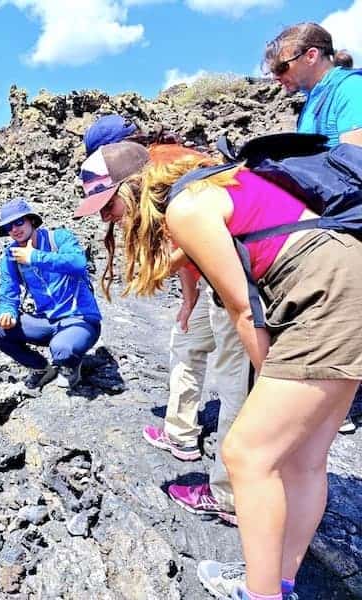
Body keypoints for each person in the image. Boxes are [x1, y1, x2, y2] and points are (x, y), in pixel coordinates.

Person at [83, 140, 361, 600]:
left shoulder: (186, 208)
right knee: (305, 459)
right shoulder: (214, 184)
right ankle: (278, 583)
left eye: (108, 203)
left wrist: (267, 378)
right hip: (346, 278)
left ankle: (262, 594)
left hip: (323, 297)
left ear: (132, 189)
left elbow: (243, 309)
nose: (106, 217)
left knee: (246, 454)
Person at [79, 117, 249, 526]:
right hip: (215, 277)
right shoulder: (162, 167)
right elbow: (190, 246)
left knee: (234, 383)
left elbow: (192, 236)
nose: (109, 219)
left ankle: (229, 496)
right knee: (187, 344)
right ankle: (181, 433)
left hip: (239, 279)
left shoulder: (160, 172)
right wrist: (189, 300)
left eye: (108, 208)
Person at [264, 23, 362, 435]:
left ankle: (338, 393)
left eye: (281, 68)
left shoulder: (349, 88)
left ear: (310, 55)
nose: (277, 79)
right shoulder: (311, 101)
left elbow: (356, 154)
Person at [0, 197, 102, 389]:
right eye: (8, 227)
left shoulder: (59, 238)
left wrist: (34, 257)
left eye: (19, 222)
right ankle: (41, 368)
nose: (14, 229)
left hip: (79, 320)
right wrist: (7, 312)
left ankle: (70, 364)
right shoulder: (11, 255)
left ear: (31, 220)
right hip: (46, 321)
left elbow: (79, 264)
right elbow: (8, 289)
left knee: (61, 349)